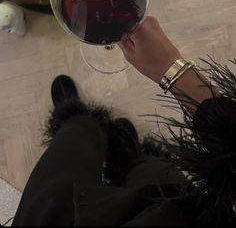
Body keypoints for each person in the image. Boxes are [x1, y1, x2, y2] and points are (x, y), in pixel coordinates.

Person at [12, 16, 236, 226]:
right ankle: (129, 151)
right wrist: (170, 67)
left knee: (69, 149)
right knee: (150, 169)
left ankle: (77, 118)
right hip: (179, 211)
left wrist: (172, 69)